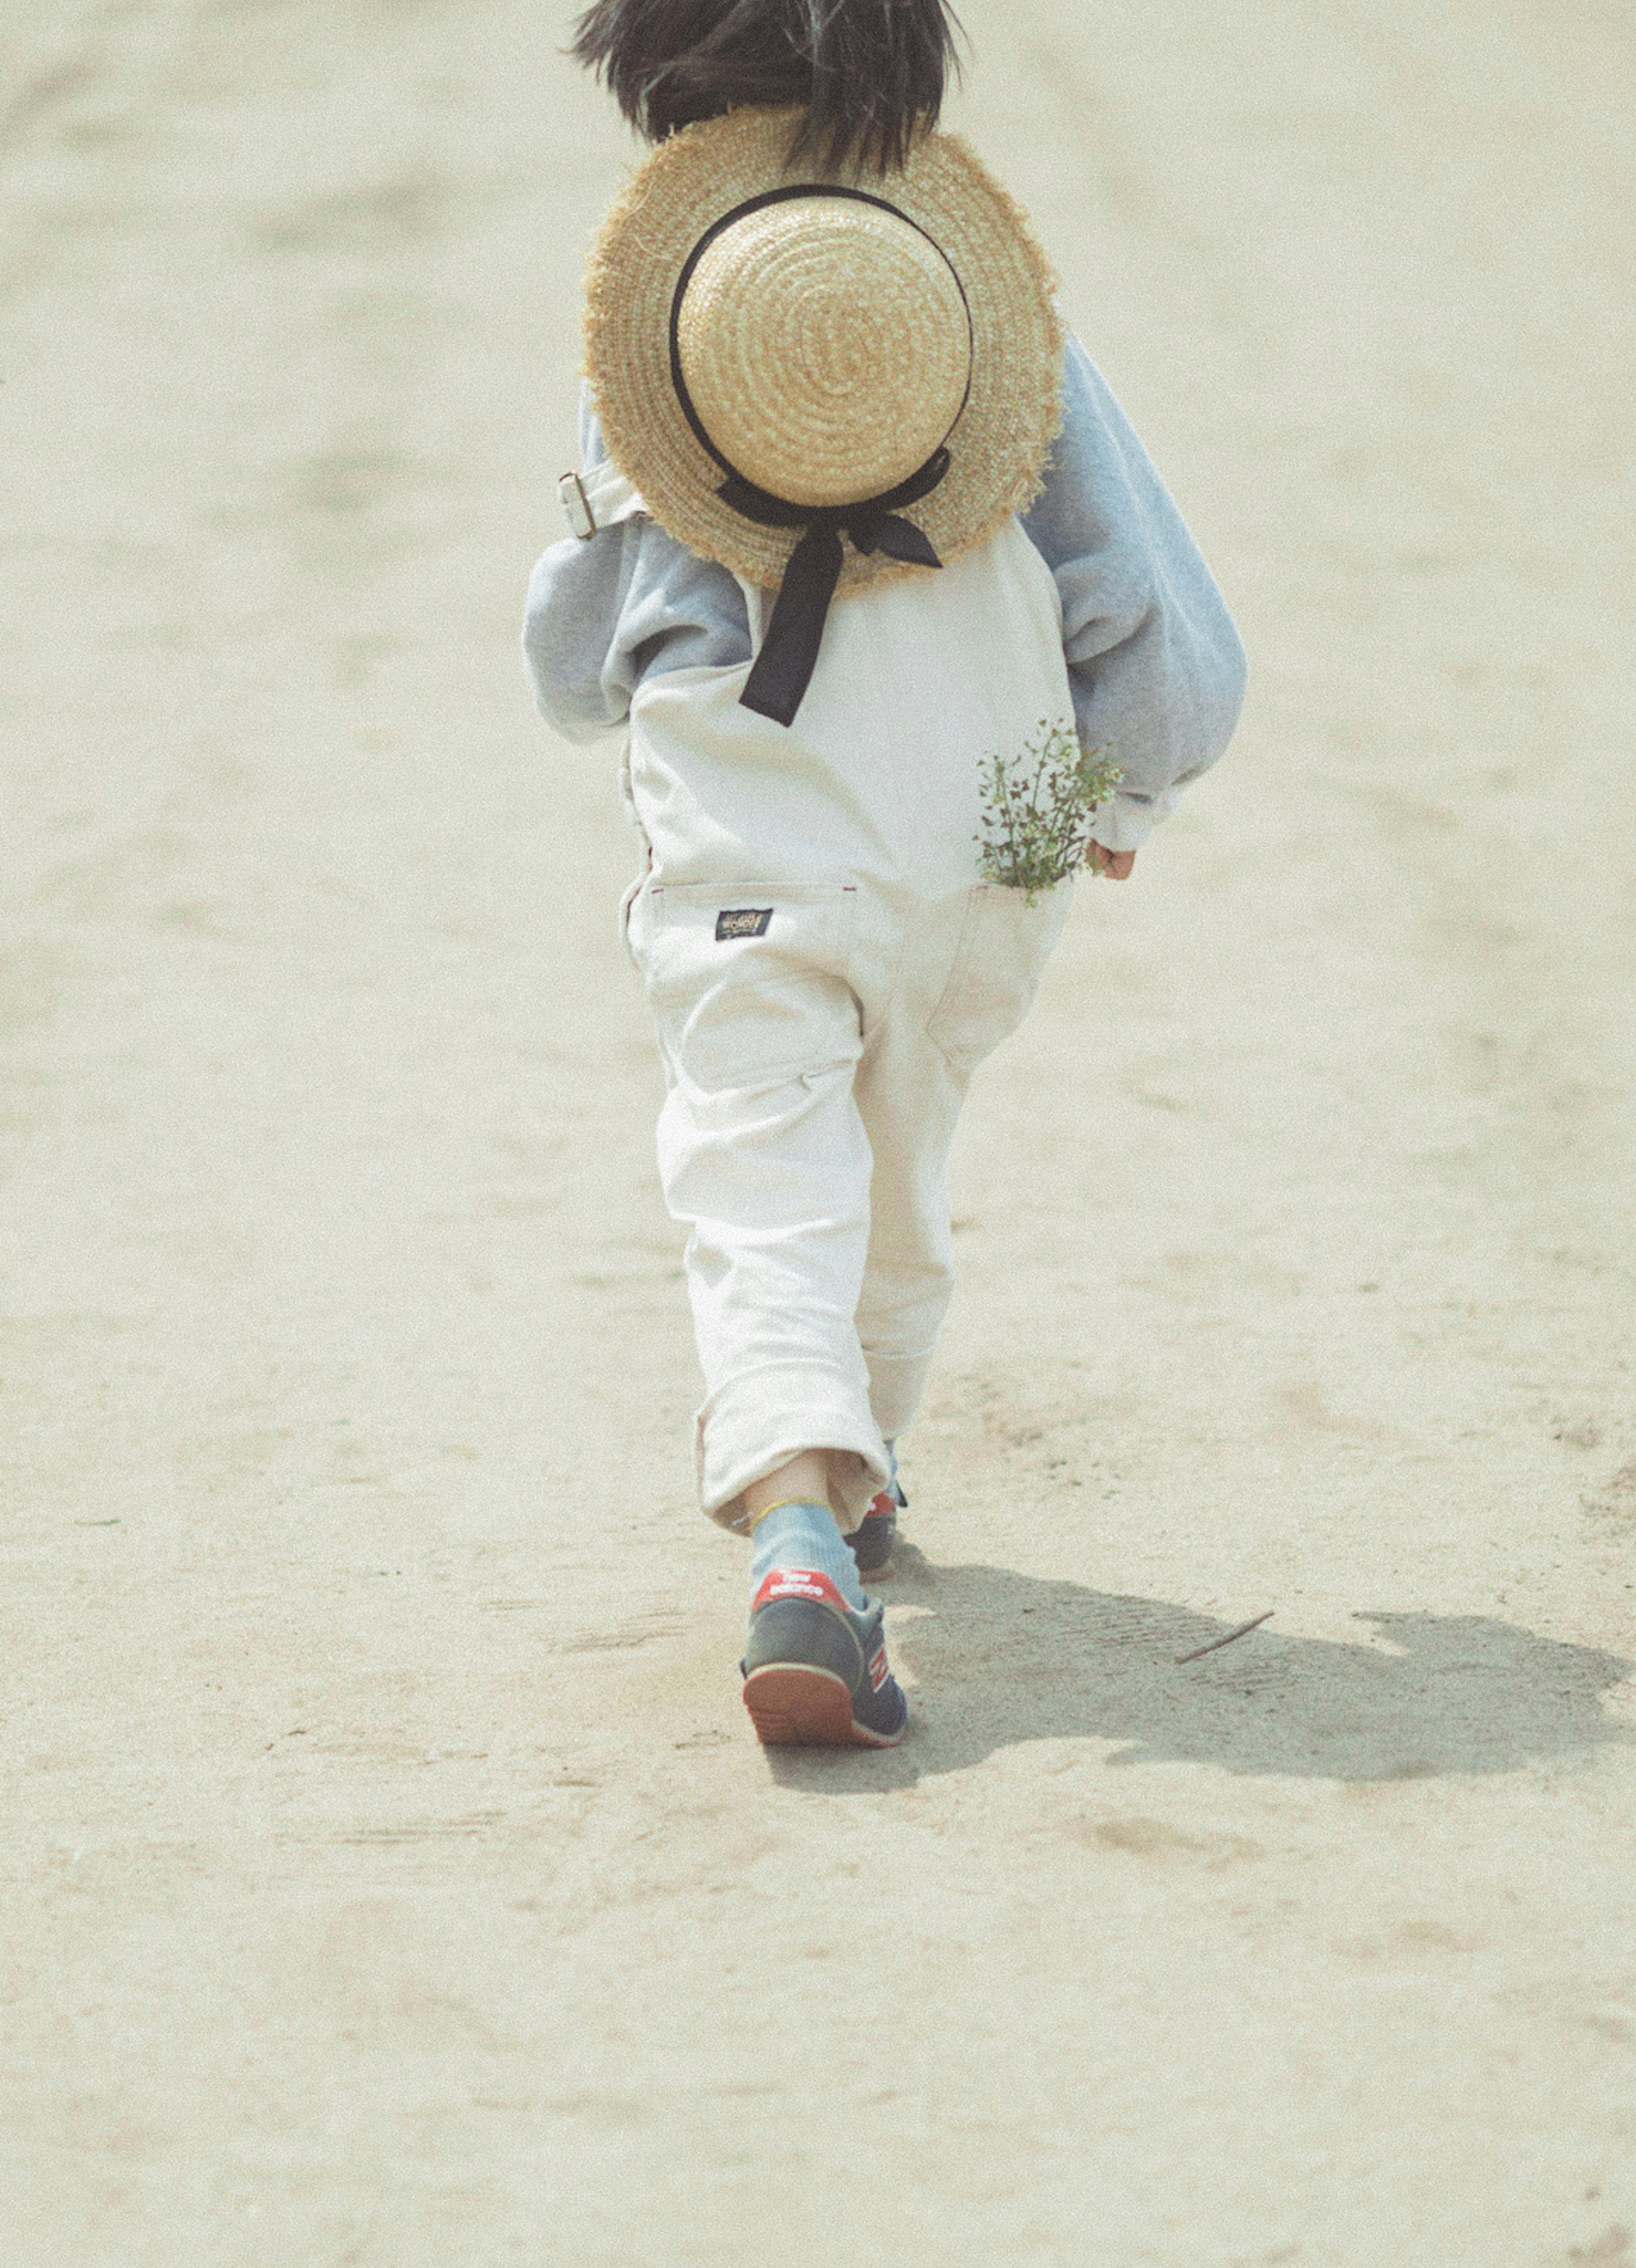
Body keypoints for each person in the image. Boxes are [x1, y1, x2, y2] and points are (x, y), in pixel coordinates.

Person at [524, 0, 1246, 1748]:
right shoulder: (1000, 353)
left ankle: (793, 1518)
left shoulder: (683, 356)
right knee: (904, 1167)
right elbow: (1168, 648)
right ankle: (865, 1470)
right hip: (980, 847)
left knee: (758, 1170)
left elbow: (570, 671)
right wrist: (1120, 795)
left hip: (751, 861)